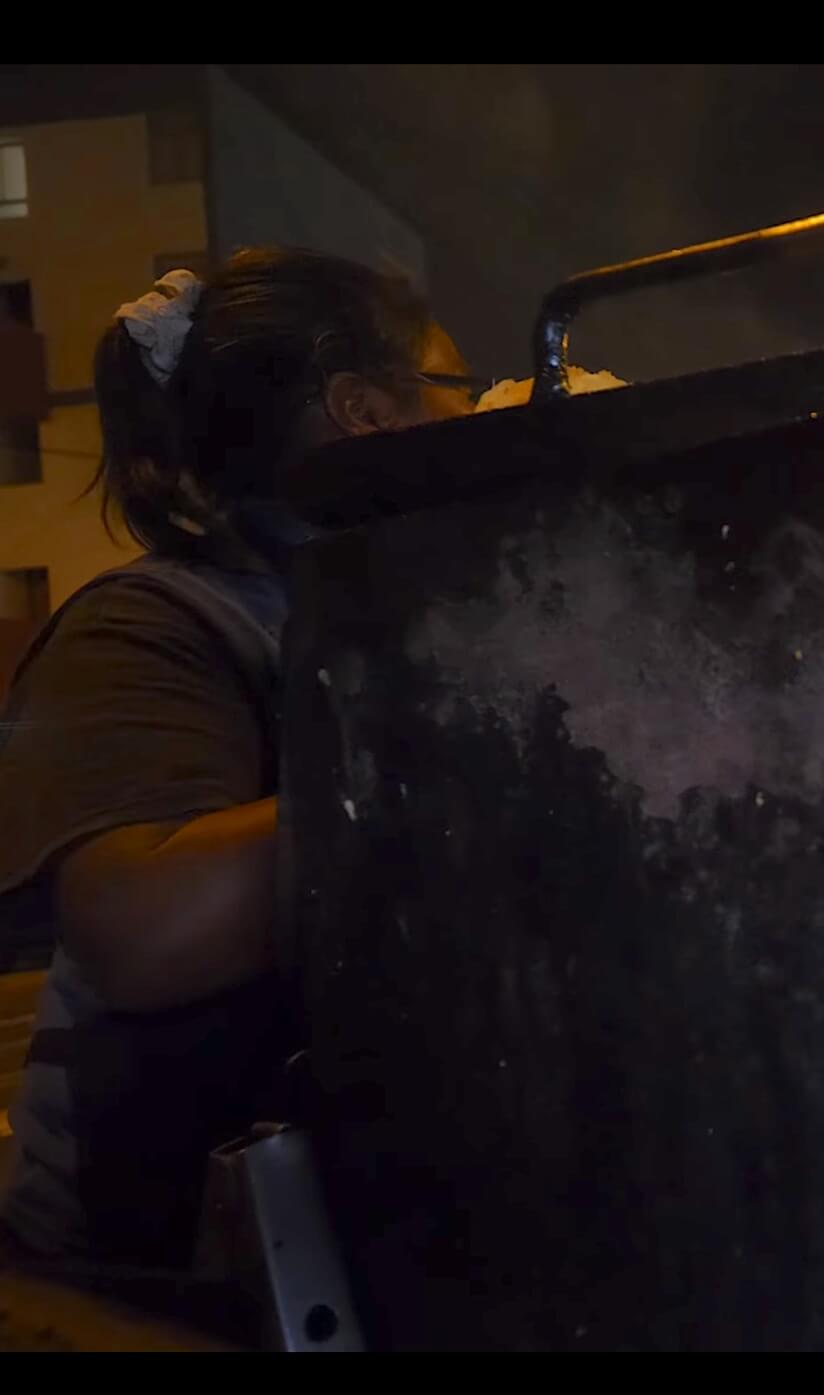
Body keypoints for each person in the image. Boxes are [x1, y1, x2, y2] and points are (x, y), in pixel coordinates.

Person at [0, 249, 481, 1269]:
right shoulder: (153, 623)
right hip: (157, 1263)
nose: (482, 412)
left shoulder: (392, 607)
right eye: (459, 387)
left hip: (361, 1233)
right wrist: (462, 773)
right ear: (366, 411)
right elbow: (146, 929)